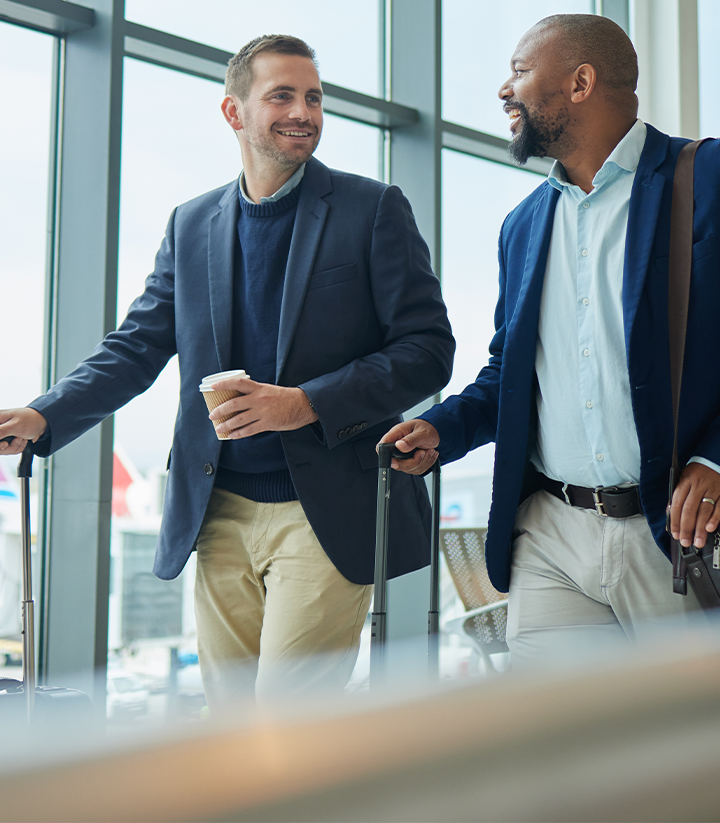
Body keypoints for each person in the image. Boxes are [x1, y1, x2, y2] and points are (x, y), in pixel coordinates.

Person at [0, 34, 454, 705]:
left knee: (283, 724)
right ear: (234, 113)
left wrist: (306, 402)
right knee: (231, 726)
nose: (304, 112)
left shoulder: (372, 208)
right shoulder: (192, 225)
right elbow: (137, 346)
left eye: (314, 98)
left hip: (325, 507)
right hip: (218, 510)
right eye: (282, 96)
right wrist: (46, 414)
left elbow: (427, 349)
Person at [384, 14, 720, 666]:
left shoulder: (706, 179)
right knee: (564, 755)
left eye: (519, 71)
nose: (504, 91)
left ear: (580, 82)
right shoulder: (524, 225)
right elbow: (509, 374)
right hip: (551, 535)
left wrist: (715, 459)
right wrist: (442, 431)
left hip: (675, 537)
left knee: (682, 757)